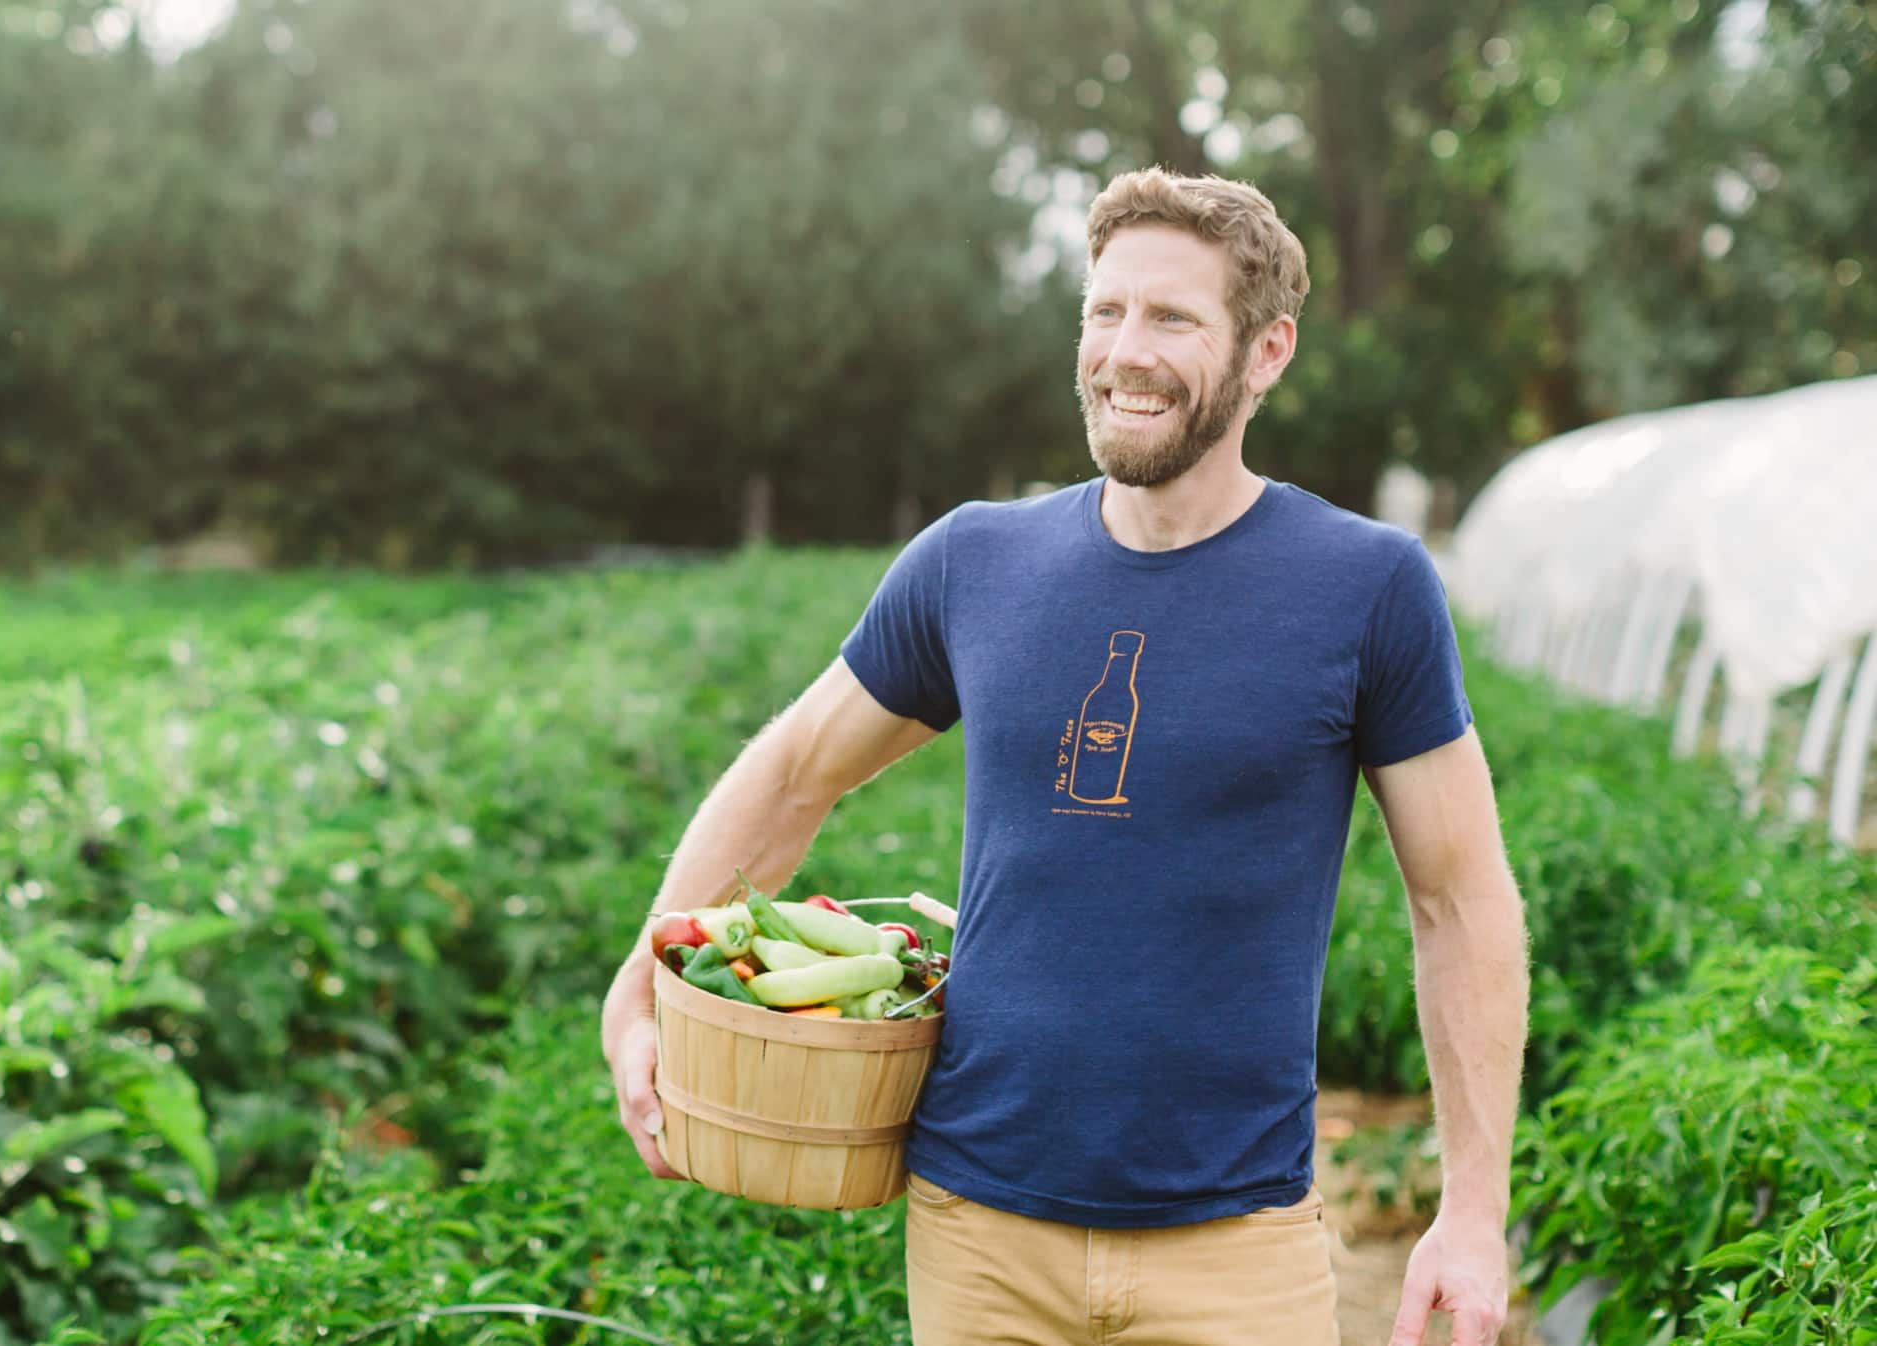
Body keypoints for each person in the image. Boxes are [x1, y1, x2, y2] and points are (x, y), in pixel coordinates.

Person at [599, 167, 1529, 1346]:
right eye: (1105, 311)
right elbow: (794, 770)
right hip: (975, 1230)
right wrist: (642, 989)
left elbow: (1459, 901)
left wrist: (1472, 1208)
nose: (1123, 351)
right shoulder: (974, 562)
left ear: (1267, 351)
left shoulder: (1364, 586)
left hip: (1235, 1247)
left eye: (1172, 318)